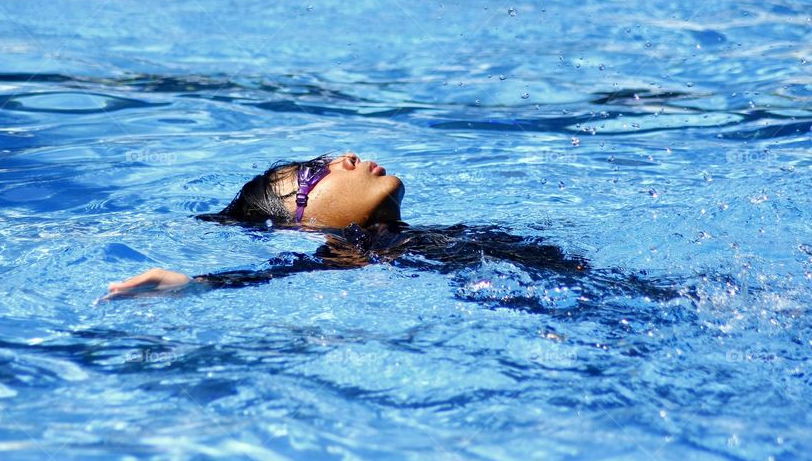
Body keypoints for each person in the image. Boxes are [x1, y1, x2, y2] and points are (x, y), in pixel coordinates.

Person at [101, 152, 592, 302]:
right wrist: (193, 284)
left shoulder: (423, 233)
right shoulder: (348, 249)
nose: (346, 158)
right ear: (300, 221)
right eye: (317, 172)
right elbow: (283, 273)